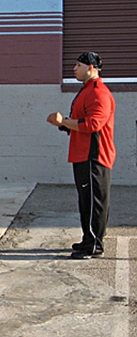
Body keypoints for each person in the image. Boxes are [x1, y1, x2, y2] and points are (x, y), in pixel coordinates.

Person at [46, 52, 115, 260]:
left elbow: (94, 124)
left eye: (78, 65)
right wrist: (63, 124)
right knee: (86, 202)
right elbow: (78, 122)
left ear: (91, 68)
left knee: (94, 202)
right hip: (81, 154)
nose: (74, 69)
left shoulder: (98, 92)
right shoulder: (86, 91)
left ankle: (94, 245)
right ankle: (88, 239)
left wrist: (64, 121)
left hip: (94, 156)